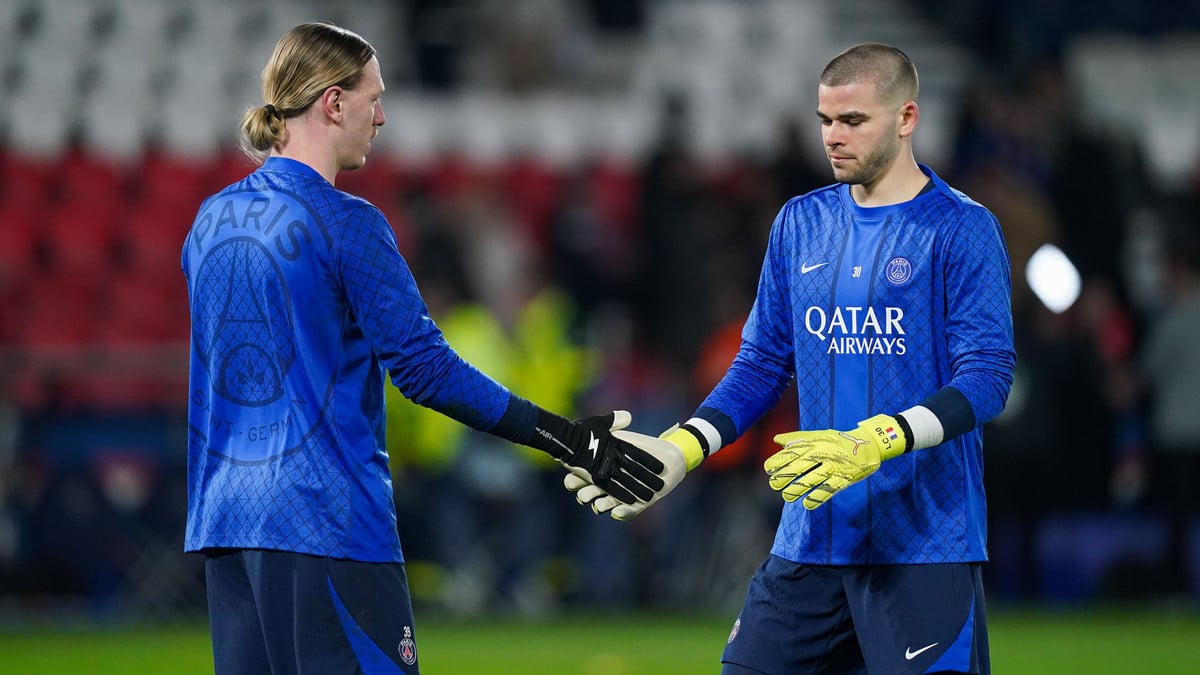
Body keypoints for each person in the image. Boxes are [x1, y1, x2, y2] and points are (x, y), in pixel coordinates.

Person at [180, 22, 663, 675]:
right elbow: (426, 369)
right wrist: (568, 439)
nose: (381, 118)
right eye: (373, 98)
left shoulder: (209, 221)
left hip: (224, 520)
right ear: (333, 103)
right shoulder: (349, 222)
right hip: (326, 519)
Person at [570, 42, 1015, 674]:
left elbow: (988, 377)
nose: (833, 136)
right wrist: (680, 448)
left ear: (907, 118)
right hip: (811, 538)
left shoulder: (961, 228)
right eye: (826, 120)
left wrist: (878, 439)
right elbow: (760, 364)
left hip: (923, 545)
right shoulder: (799, 223)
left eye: (853, 120)